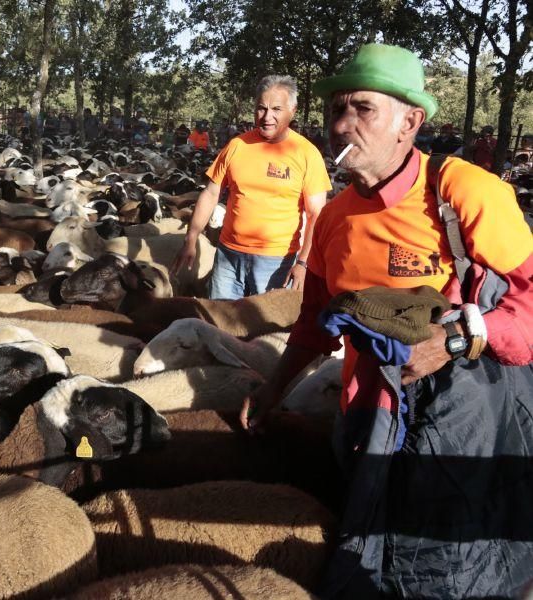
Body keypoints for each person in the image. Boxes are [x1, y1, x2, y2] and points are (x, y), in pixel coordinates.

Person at [242, 43, 533, 598]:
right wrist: (274, 388)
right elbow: (313, 323)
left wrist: (455, 339)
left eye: (363, 109)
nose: (343, 123)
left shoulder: (463, 193)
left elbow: (530, 302)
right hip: (364, 420)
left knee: (449, 567)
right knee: (377, 562)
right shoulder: (332, 219)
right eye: (335, 110)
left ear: (410, 121)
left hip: (461, 421)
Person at [172, 75, 330, 300]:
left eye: (276, 109)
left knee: (264, 329)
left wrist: (304, 262)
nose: (267, 117)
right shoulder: (237, 145)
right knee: (220, 325)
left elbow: (317, 215)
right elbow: (211, 193)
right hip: (228, 257)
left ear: (292, 111)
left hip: (276, 263)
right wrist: (191, 238)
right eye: (261, 108)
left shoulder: (307, 154)